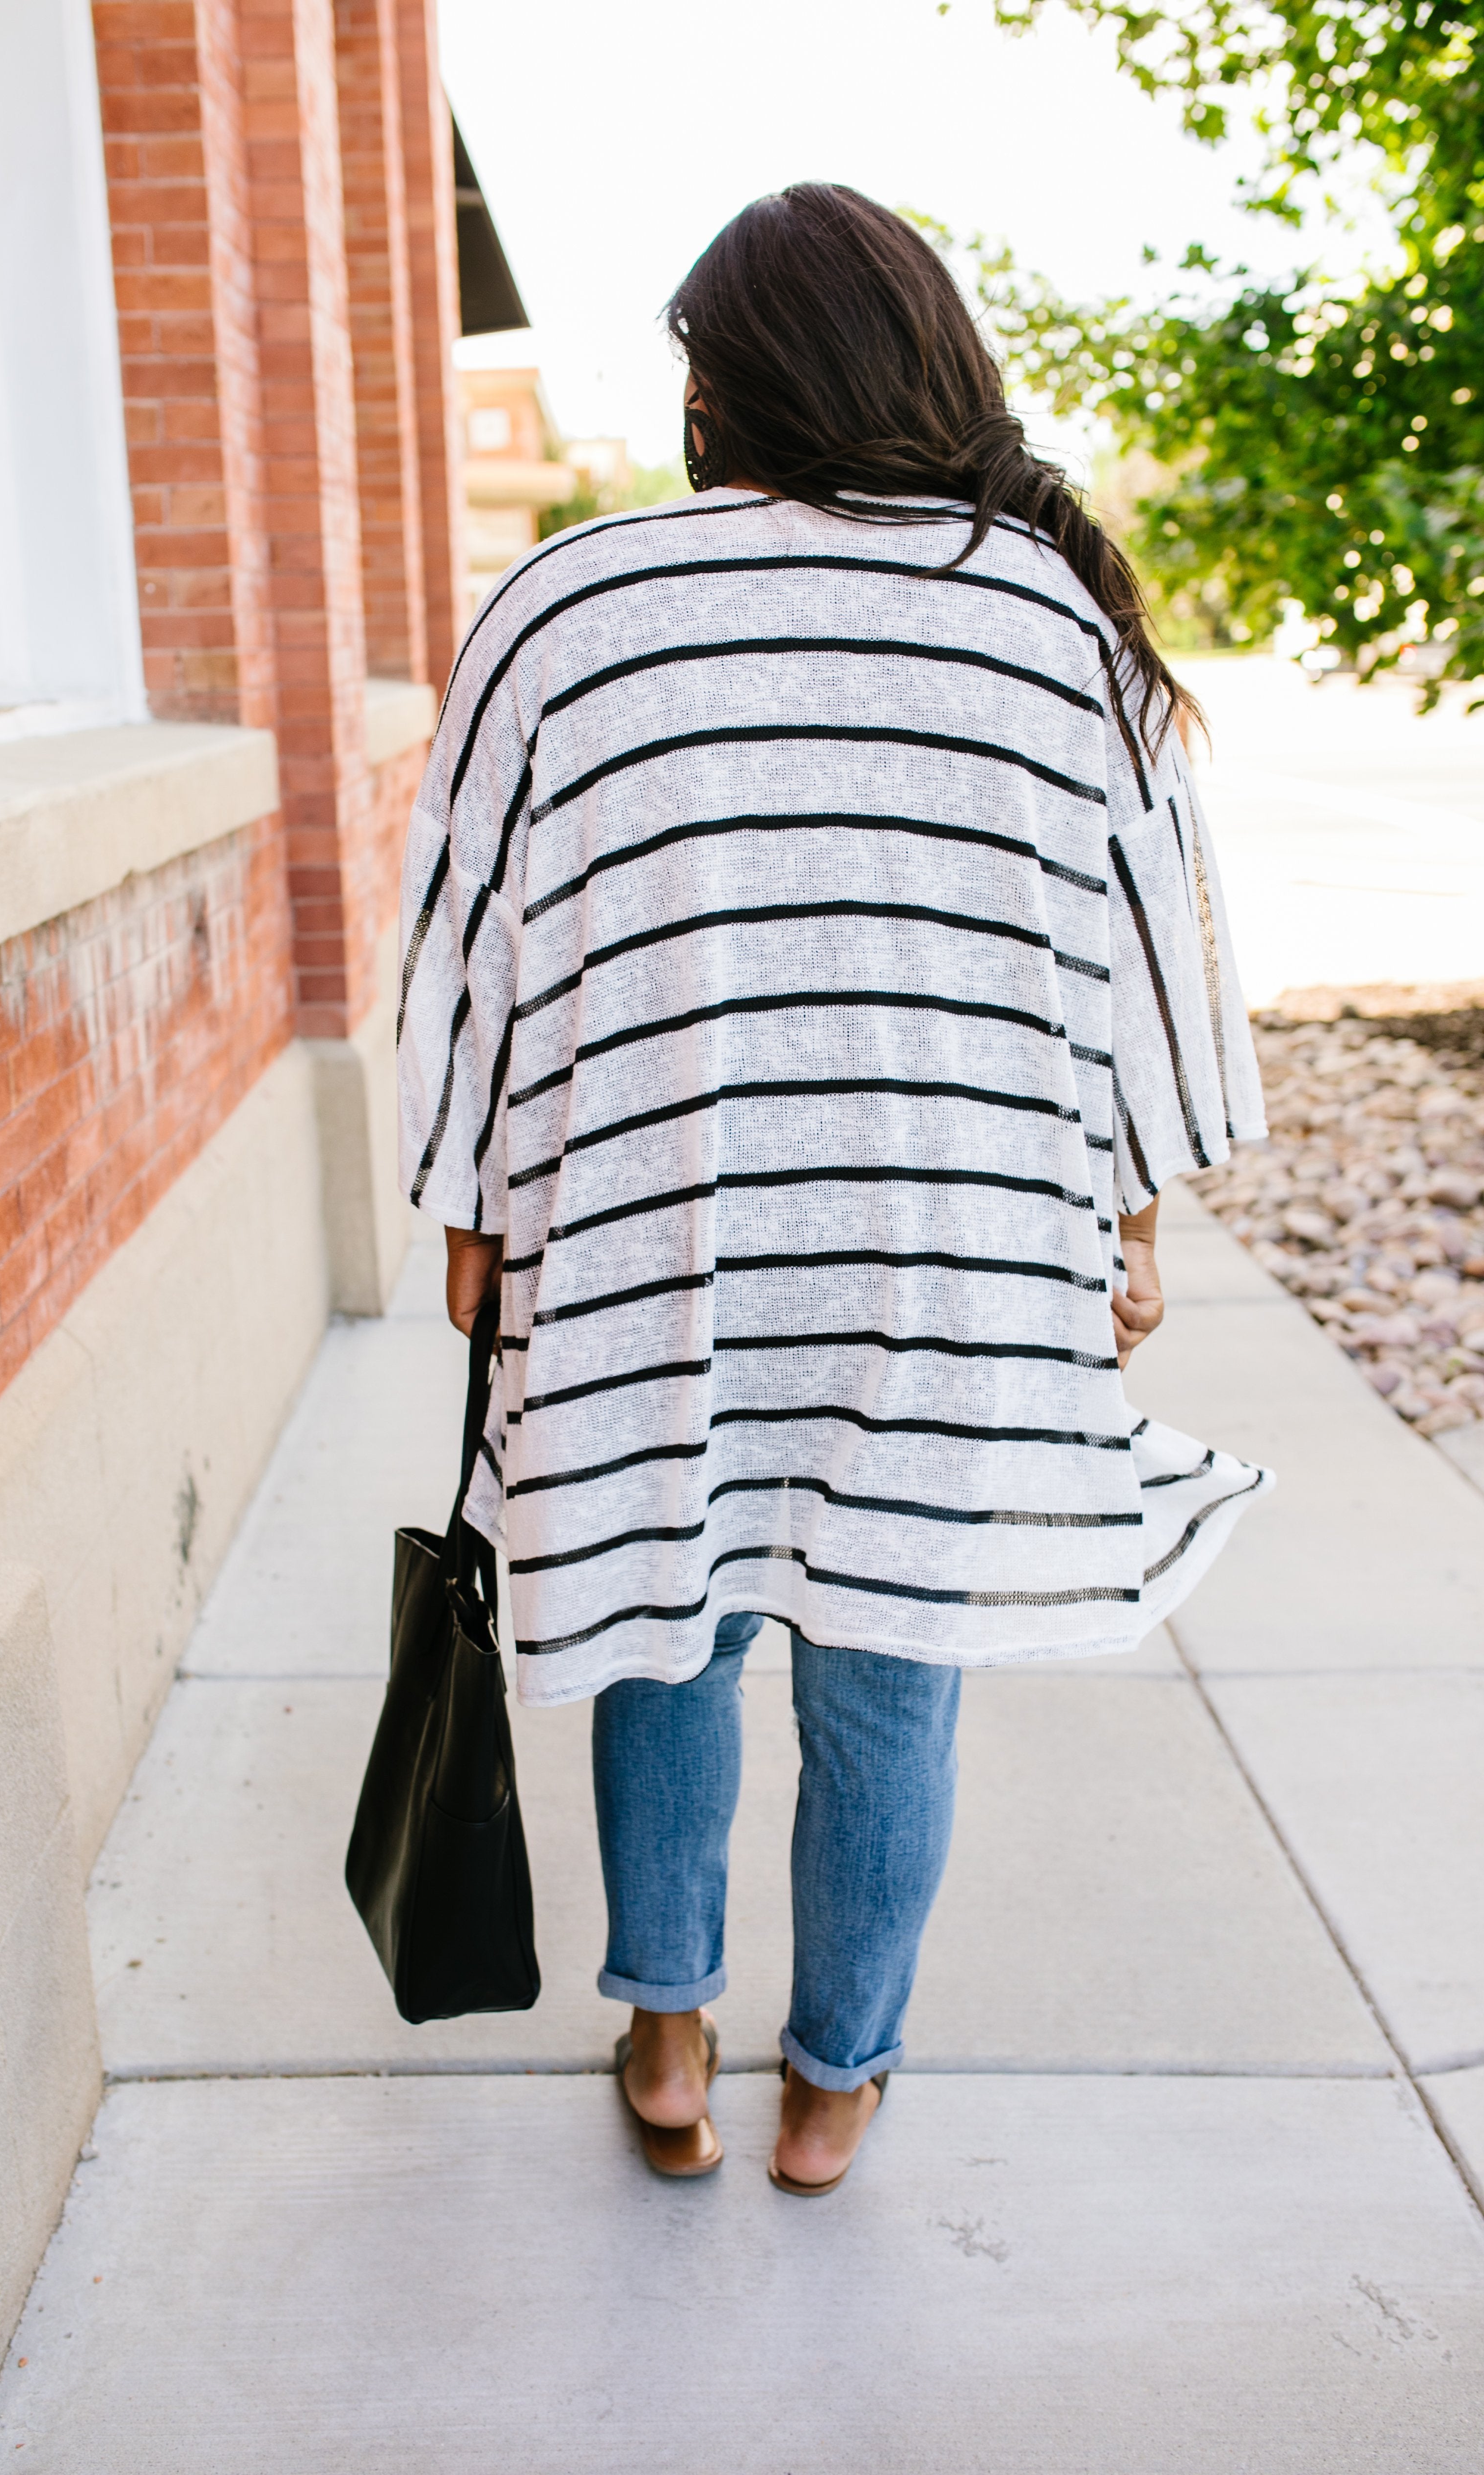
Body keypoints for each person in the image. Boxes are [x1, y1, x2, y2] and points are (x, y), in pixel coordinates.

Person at [397, 183, 1271, 2195]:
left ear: (740, 380)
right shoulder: (1054, 611)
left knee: (663, 1615)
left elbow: (468, 937)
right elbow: (1141, 952)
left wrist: (468, 1212)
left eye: (696, 360)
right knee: (892, 1666)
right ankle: (839, 2080)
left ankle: (672, 2028)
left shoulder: (573, 601)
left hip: (655, 1233)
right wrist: (1127, 1223)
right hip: (947, 1255)